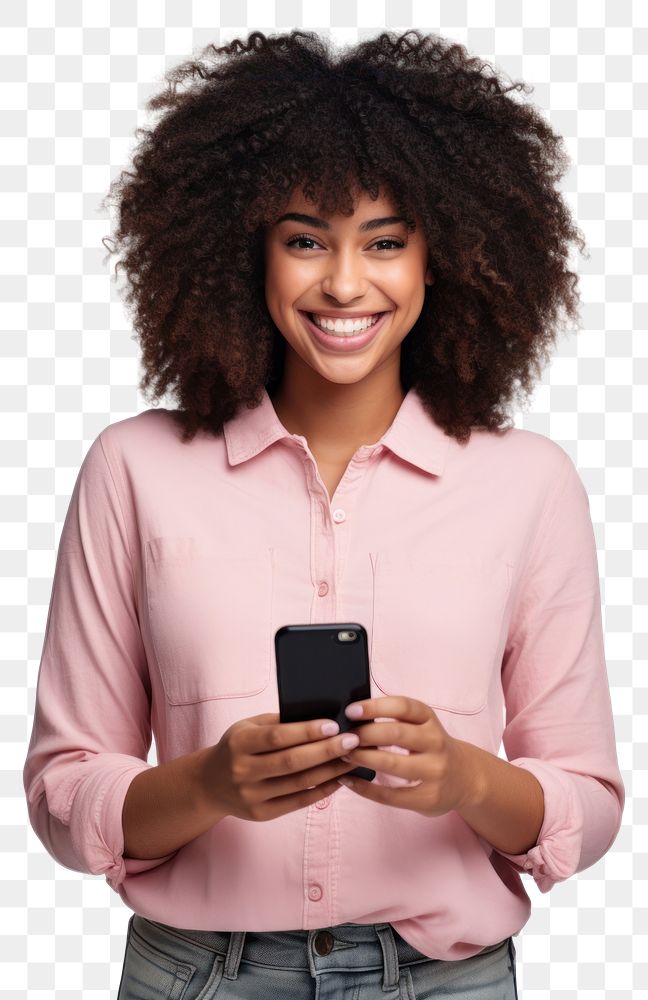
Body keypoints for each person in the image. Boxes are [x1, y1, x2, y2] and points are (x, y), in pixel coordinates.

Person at [23, 28, 625, 999]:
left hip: (448, 979)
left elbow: (588, 805)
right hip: (198, 976)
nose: (345, 283)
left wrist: (467, 780)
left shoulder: (530, 484)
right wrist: (213, 785)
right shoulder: (132, 470)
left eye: (386, 241)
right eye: (306, 239)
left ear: (447, 258)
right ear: (244, 253)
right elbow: (62, 793)